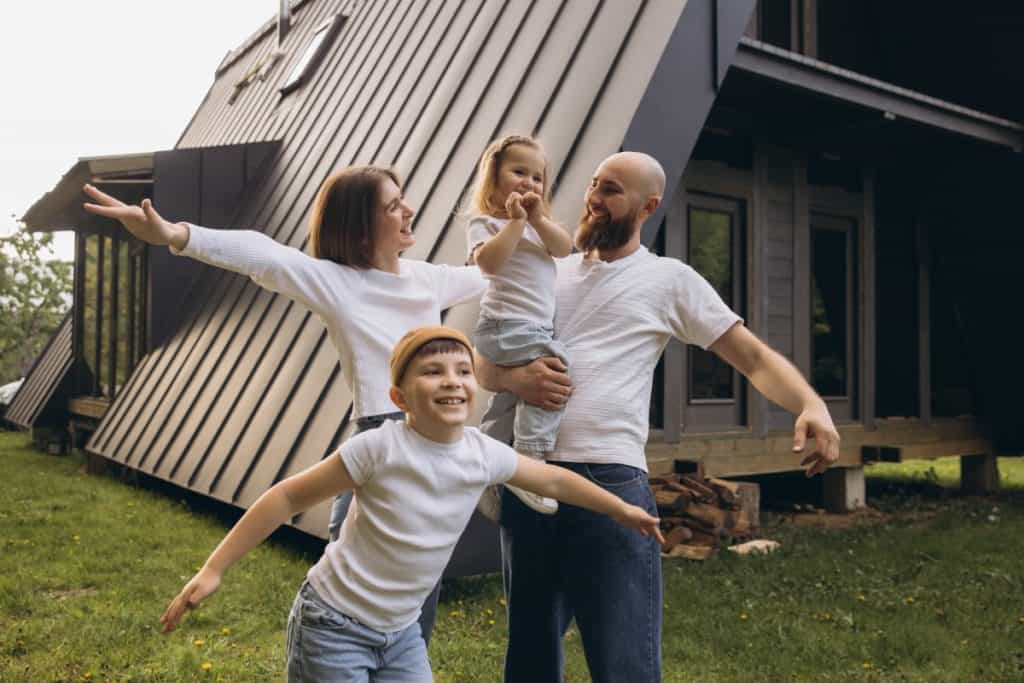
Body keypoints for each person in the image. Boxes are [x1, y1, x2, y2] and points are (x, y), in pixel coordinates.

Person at [478, 152, 842, 682]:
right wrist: (514, 379)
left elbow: (752, 357)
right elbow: (483, 361)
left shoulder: (668, 279)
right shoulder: (543, 268)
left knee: (624, 664)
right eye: (594, 186)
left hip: (610, 483)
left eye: (612, 191)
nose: (594, 199)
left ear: (648, 206)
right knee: (529, 661)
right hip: (528, 480)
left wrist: (813, 404)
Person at [82, 167, 485, 645]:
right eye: (394, 205)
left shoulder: (427, 280)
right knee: (352, 597)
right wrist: (173, 234)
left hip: (434, 448)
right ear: (359, 226)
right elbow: (263, 254)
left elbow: (495, 274)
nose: (409, 210)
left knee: (416, 597)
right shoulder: (338, 282)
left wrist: (570, 244)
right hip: (379, 447)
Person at [159, 326, 665, 682]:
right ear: (399, 398)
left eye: (462, 370)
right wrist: (214, 568)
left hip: (400, 634)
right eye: (432, 371)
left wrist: (618, 508)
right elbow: (287, 496)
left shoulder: (483, 454)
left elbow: (553, 479)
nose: (451, 380)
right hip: (333, 625)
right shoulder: (377, 448)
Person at [465, 134, 573, 516]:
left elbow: (564, 248)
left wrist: (538, 219)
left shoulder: (539, 227)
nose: (529, 182)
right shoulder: (487, 223)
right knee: (555, 366)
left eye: (538, 177)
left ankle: (484, 463)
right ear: (493, 180)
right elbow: (489, 264)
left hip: (529, 330)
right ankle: (529, 462)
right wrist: (514, 223)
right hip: (504, 327)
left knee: (509, 400)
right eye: (518, 172)